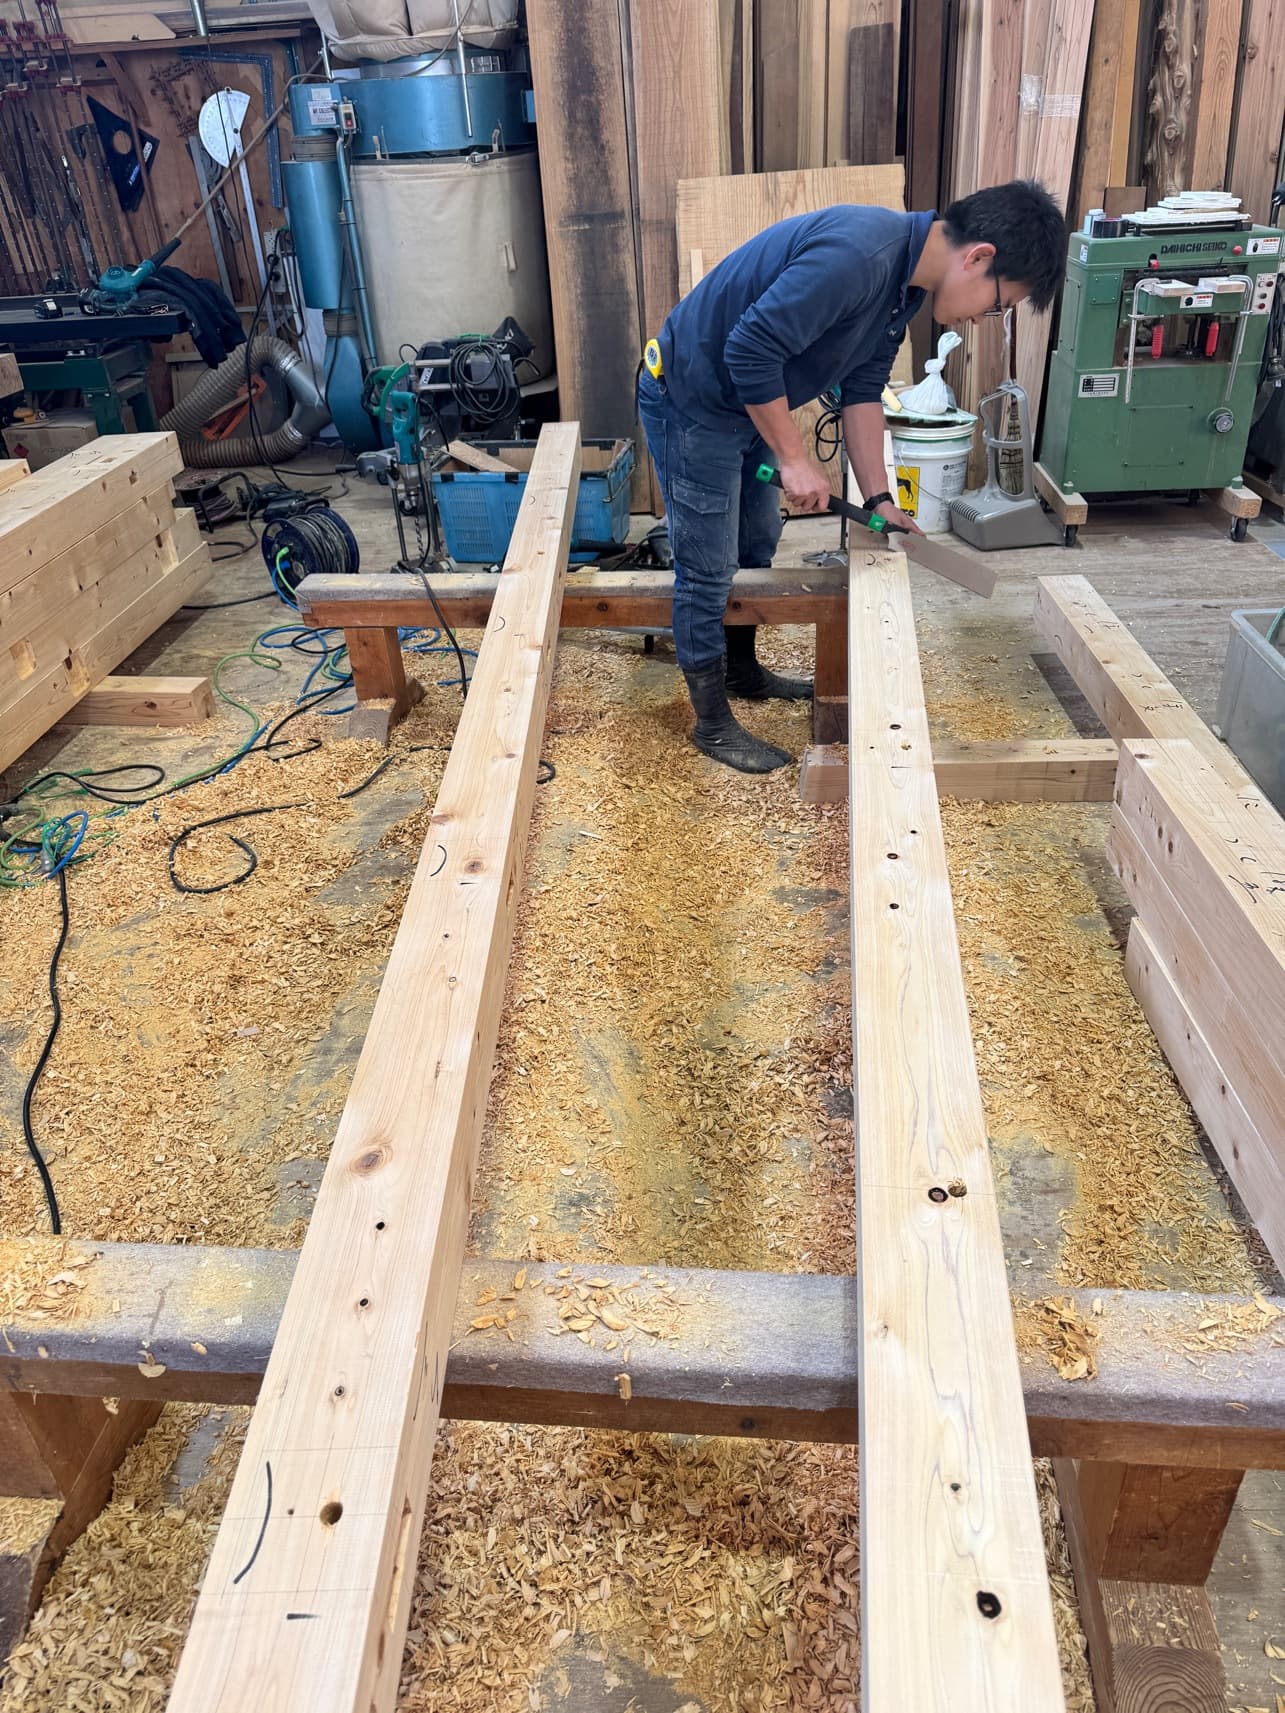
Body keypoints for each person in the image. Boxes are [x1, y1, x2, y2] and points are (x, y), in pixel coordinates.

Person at [636, 178, 1067, 773]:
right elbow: (749, 350)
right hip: (693, 401)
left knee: (755, 543)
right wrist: (793, 458)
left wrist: (880, 498)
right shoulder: (859, 256)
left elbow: (863, 390)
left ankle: (741, 671)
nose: (982, 319)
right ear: (978, 258)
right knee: (707, 568)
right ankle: (711, 723)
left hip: (746, 407)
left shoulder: (903, 292)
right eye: (998, 305)